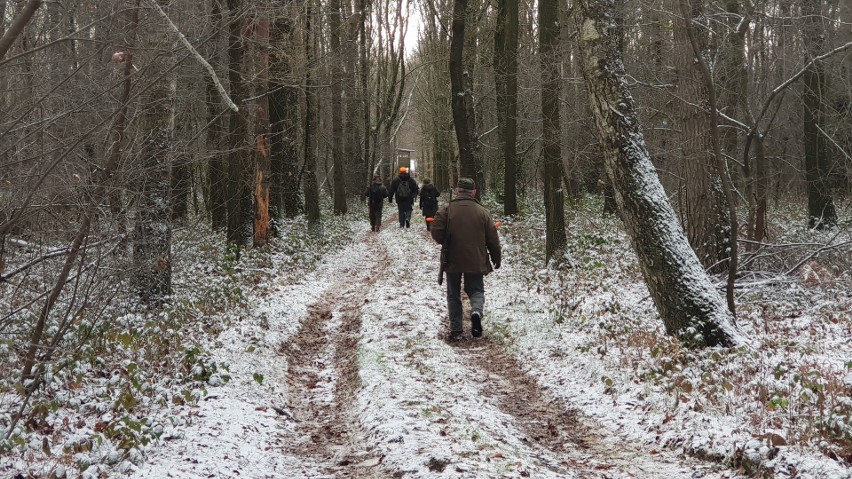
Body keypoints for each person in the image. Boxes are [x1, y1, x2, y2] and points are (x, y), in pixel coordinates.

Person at [430, 178, 501, 340]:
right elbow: (493, 239)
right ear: (473, 192)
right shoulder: (482, 212)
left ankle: (456, 331)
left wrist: (446, 241)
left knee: (453, 294)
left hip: (452, 258)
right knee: (476, 290)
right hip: (476, 258)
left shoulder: (447, 210)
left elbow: (436, 231)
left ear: (457, 191)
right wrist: (496, 258)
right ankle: (476, 311)